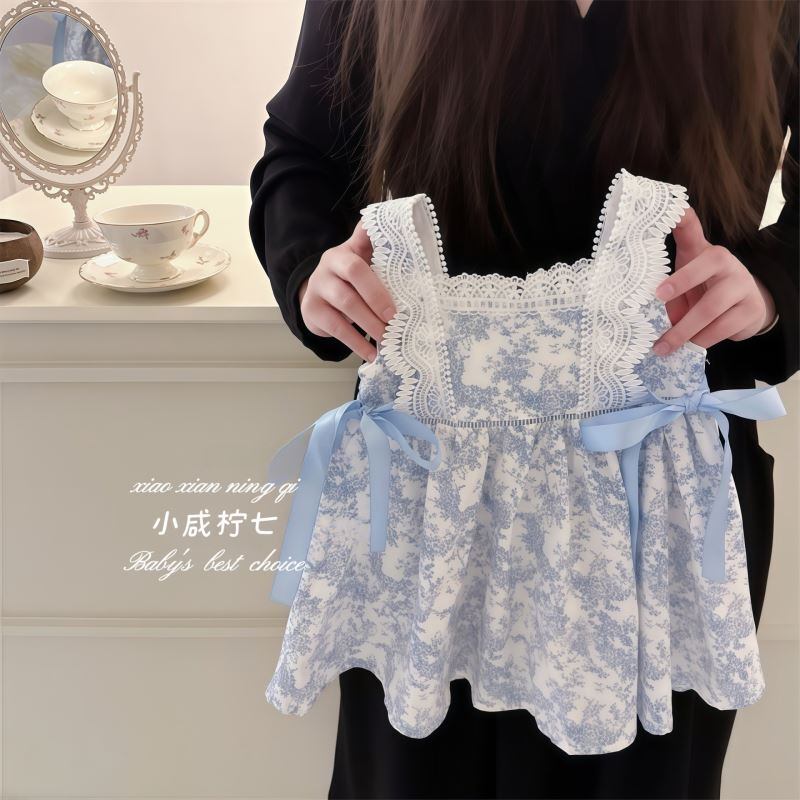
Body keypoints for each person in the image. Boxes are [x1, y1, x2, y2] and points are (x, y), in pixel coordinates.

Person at [249, 1, 799, 797]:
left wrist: (775, 285)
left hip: (665, 496)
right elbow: (302, 154)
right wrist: (311, 269)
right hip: (428, 487)